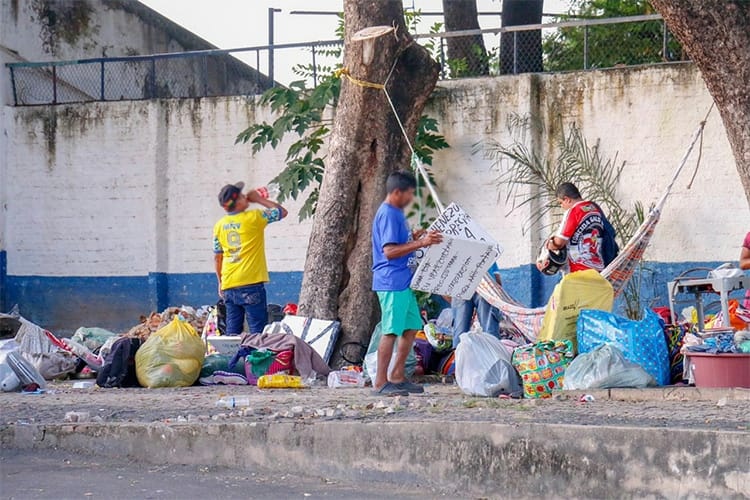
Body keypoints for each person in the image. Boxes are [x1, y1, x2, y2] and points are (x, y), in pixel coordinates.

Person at [372, 171, 442, 396]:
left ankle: (398, 375)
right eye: (410, 194)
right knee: (391, 330)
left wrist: (414, 237)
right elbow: (390, 251)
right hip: (391, 280)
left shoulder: (397, 214)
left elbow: (398, 243)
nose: (411, 199)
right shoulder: (388, 214)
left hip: (403, 281)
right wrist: (421, 243)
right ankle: (381, 382)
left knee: (411, 327)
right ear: (396, 192)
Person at [213, 182, 288, 336]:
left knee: (232, 331)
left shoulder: (219, 225)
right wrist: (258, 199)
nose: (245, 196)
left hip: (229, 283)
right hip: (251, 284)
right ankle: (254, 360)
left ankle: (231, 359)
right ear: (238, 202)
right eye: (241, 195)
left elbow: (217, 257)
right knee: (257, 332)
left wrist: (220, 282)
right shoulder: (255, 217)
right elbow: (282, 212)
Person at [538, 182, 605, 274]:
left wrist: (549, 245)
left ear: (567, 199)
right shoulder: (595, 209)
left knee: (561, 289)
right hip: (598, 269)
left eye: (561, 203)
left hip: (578, 270)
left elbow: (560, 242)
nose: (562, 206)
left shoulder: (574, 211)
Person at [451, 263, 503, 347]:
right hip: (485, 283)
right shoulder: (486, 250)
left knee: (460, 332)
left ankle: (459, 358)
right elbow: (497, 279)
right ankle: (494, 357)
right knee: (490, 329)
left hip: (461, 283)